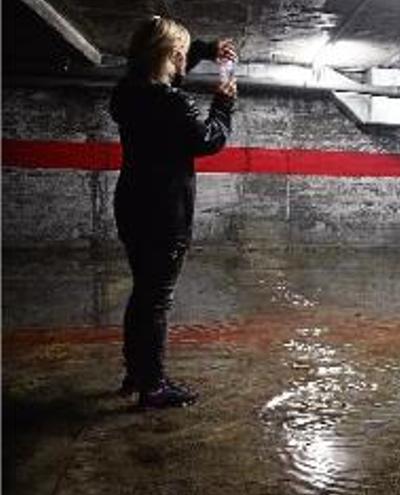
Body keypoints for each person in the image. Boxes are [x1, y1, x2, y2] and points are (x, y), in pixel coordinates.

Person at [110, 16, 237, 408]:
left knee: (143, 294)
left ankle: (137, 372)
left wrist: (203, 48)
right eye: (183, 54)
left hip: (132, 205)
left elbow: (170, 76)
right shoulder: (171, 102)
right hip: (164, 212)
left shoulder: (127, 93)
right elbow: (208, 140)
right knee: (156, 300)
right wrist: (223, 105)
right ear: (172, 56)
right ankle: (154, 385)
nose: (187, 60)